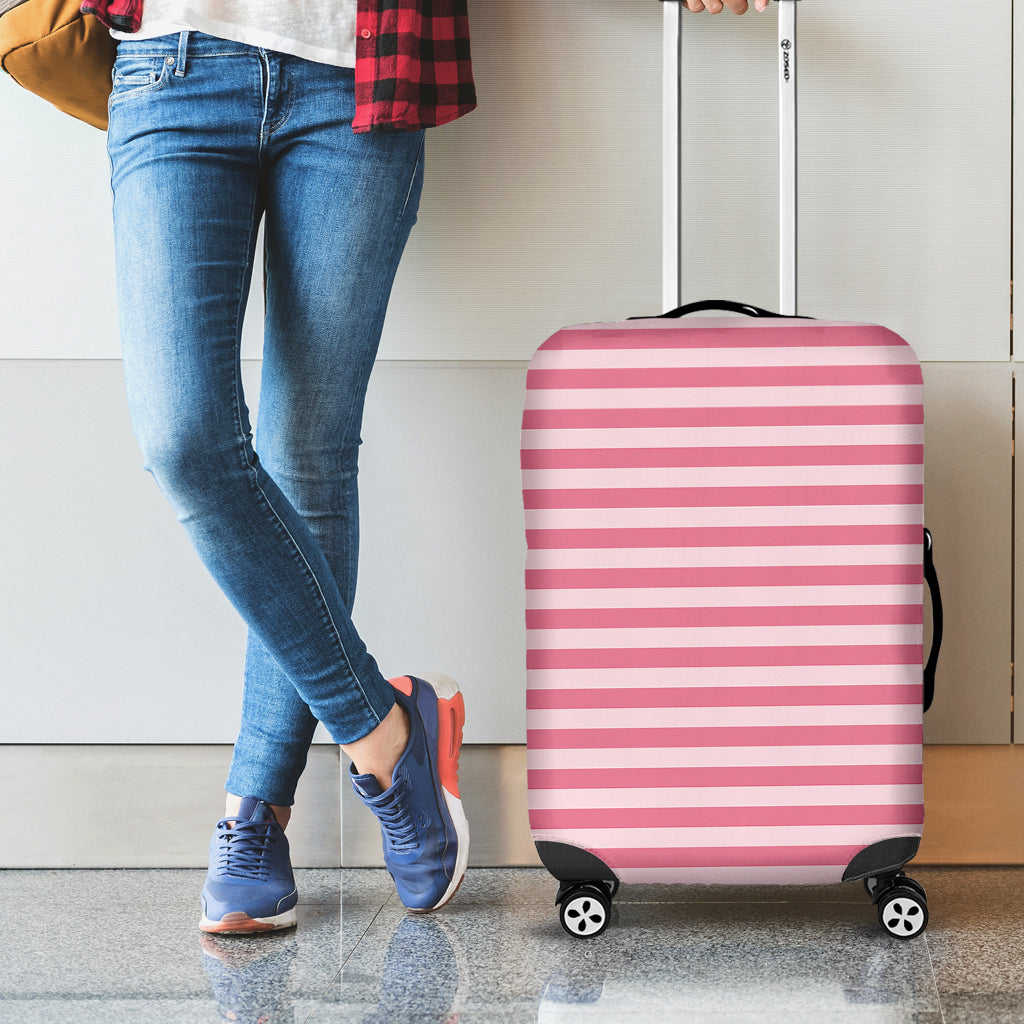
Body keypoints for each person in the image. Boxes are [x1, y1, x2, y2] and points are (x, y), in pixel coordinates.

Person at [84, 0, 475, 933]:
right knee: (184, 442)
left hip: (359, 79)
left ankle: (255, 813)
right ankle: (385, 730)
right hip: (173, 69)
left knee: (309, 455)